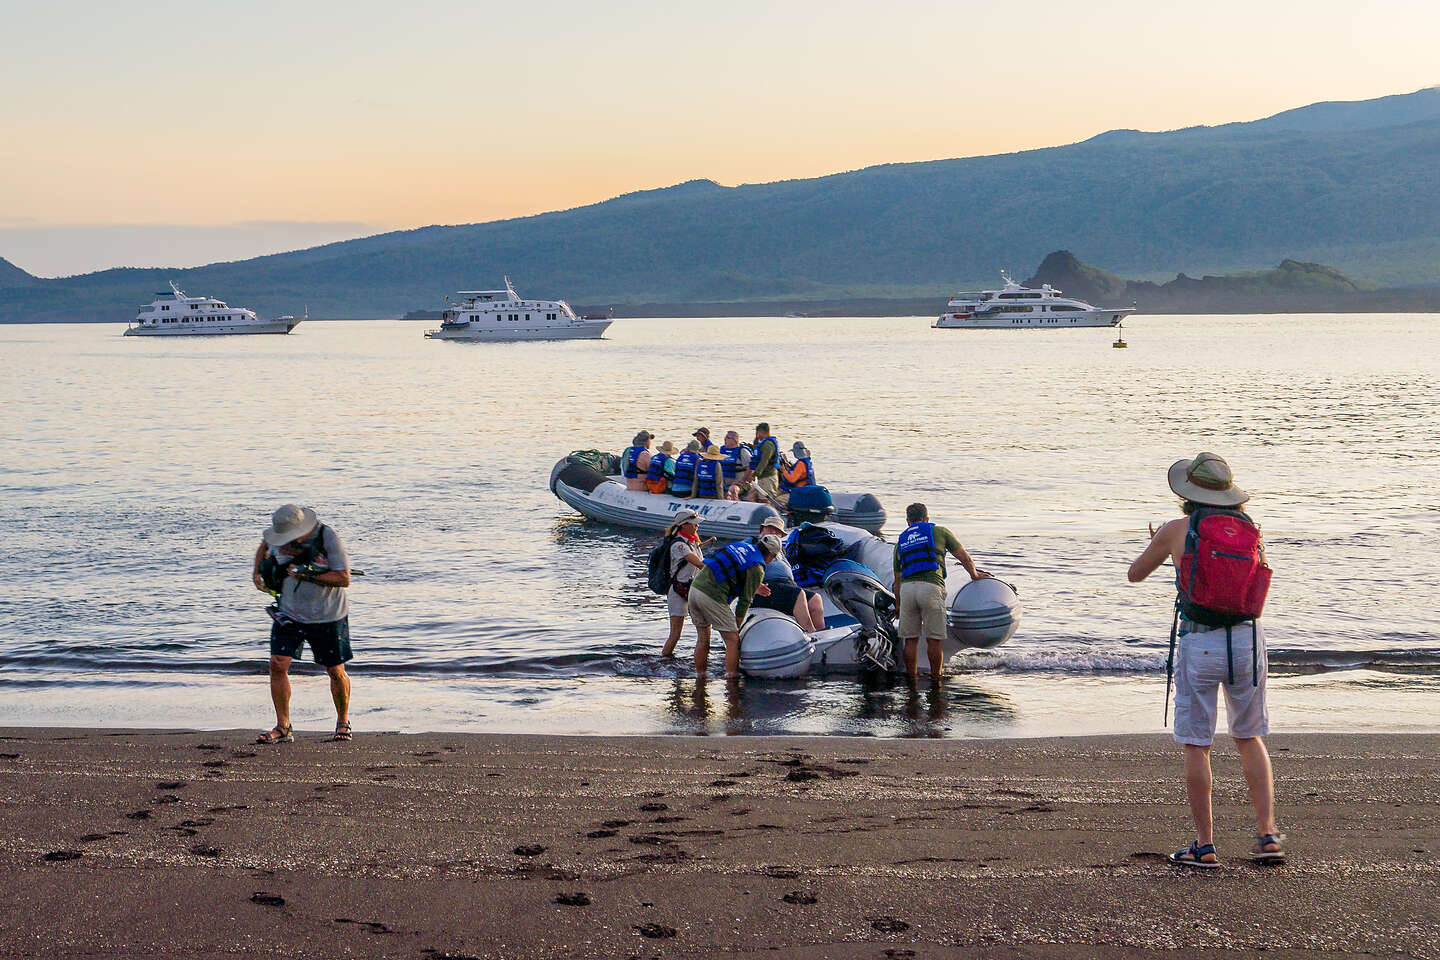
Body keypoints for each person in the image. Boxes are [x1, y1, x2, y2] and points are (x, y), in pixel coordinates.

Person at [1128, 452, 1283, 869]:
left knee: (1198, 744)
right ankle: (1267, 835)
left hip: (1200, 644)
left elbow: (1135, 574)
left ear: (1188, 493)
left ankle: (1205, 844)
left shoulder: (1177, 529)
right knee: (1249, 736)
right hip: (1248, 640)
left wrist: (1163, 545)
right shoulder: (1253, 530)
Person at [251, 504, 354, 744]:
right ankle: (283, 727)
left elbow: (344, 578)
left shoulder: (327, 537)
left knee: (335, 670)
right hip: (288, 612)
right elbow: (264, 547)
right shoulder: (276, 536)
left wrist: (306, 574)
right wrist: (257, 573)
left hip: (327, 615)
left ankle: (342, 723)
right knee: (277, 664)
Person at [892, 502, 989, 682]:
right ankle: (936, 679)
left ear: (907, 521)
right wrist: (974, 575)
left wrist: (898, 604)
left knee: (910, 640)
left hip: (907, 590)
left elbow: (897, 579)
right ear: (927, 518)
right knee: (933, 639)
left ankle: (911, 679)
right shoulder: (940, 531)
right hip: (930, 587)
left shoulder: (901, 542)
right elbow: (963, 557)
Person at [686, 534, 782, 679]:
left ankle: (701, 676)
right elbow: (745, 601)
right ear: (770, 554)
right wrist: (736, 627)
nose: (771, 561)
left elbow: (728, 569)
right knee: (732, 641)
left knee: (703, 639)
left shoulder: (741, 546)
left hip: (694, 590)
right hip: (711, 596)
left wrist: (754, 586)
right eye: (773, 557)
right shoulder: (757, 568)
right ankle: (731, 680)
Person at [748, 516, 824, 631]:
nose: (773, 532)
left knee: (815, 599)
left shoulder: (781, 549)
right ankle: (811, 633)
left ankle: (821, 635)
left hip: (786, 586)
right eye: (770, 528)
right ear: (762, 530)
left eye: (777, 531)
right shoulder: (753, 543)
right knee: (799, 594)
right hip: (766, 587)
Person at [660, 510, 712, 658]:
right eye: (694, 524)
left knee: (704, 629)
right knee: (675, 634)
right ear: (684, 525)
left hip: (693, 589)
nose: (697, 527)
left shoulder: (693, 542)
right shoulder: (679, 546)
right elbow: (700, 564)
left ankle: (702, 658)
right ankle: (664, 659)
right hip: (678, 590)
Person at [742, 423, 782, 503]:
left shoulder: (768, 445)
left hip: (768, 478)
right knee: (751, 496)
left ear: (761, 432)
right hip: (762, 478)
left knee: (765, 500)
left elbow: (764, 461)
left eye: (757, 433)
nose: (757, 436)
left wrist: (754, 475)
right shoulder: (763, 444)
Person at [719, 430, 753, 497]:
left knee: (733, 490)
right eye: (725, 437)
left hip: (738, 484)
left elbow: (750, 468)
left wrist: (742, 480)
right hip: (722, 483)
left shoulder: (743, 451)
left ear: (734, 440)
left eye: (727, 437)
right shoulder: (722, 450)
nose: (725, 439)